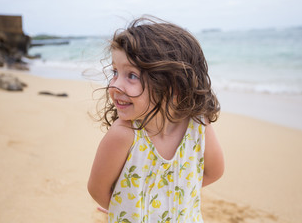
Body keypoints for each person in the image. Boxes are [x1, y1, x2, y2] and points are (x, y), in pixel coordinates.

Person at [88, 16, 224, 223]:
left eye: (131, 75)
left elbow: (214, 172)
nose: (114, 85)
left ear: (174, 84)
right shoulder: (123, 135)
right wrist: (128, 207)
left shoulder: (197, 124)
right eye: (115, 72)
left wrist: (173, 198)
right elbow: (98, 189)